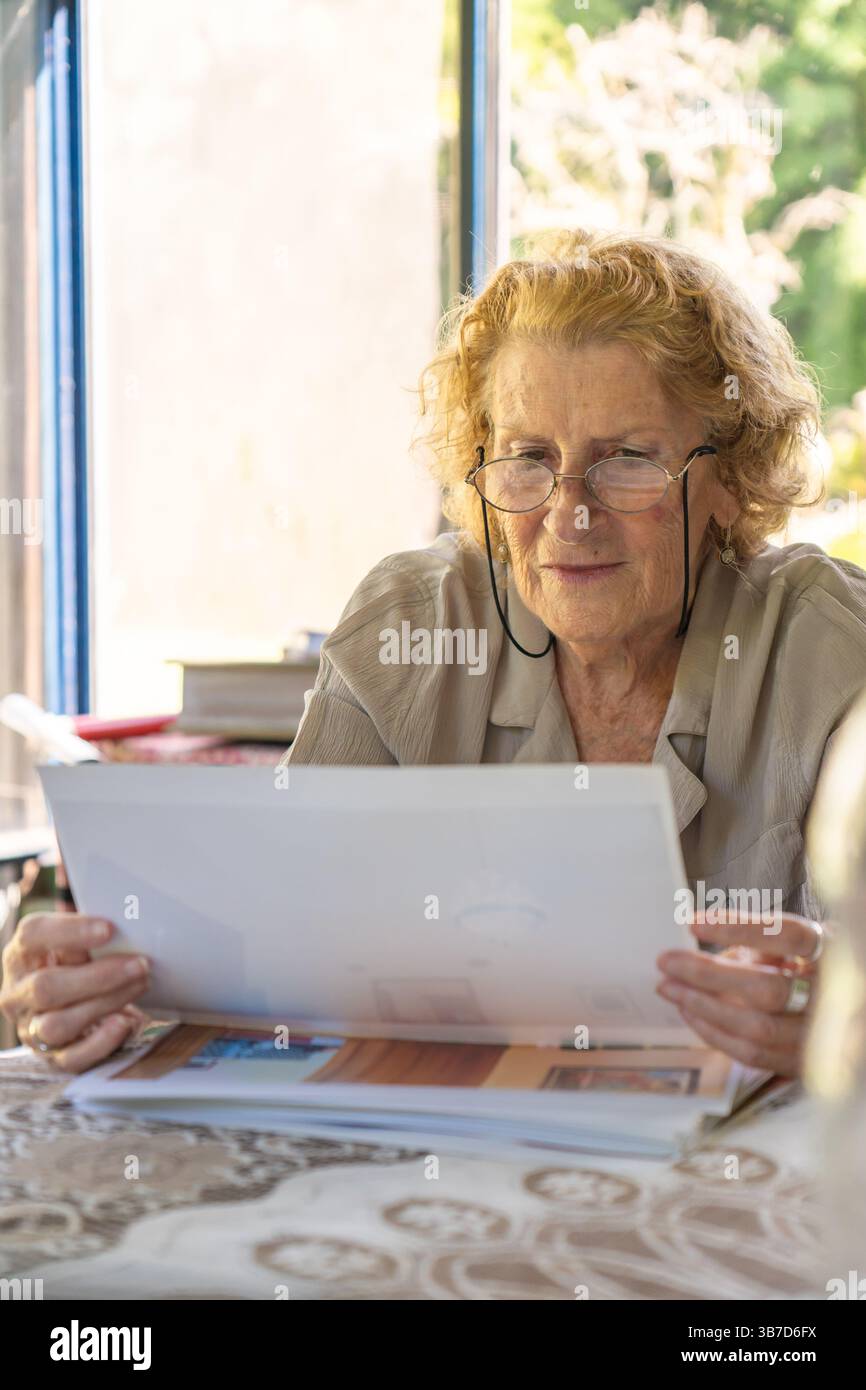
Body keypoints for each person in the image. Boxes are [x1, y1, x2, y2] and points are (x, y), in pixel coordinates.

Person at [4, 228, 866, 1077]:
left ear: (728, 477)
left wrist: (846, 1015)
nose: (570, 513)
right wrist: (102, 986)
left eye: (628, 459)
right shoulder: (413, 625)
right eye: (529, 458)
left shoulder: (830, 650)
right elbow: (279, 931)